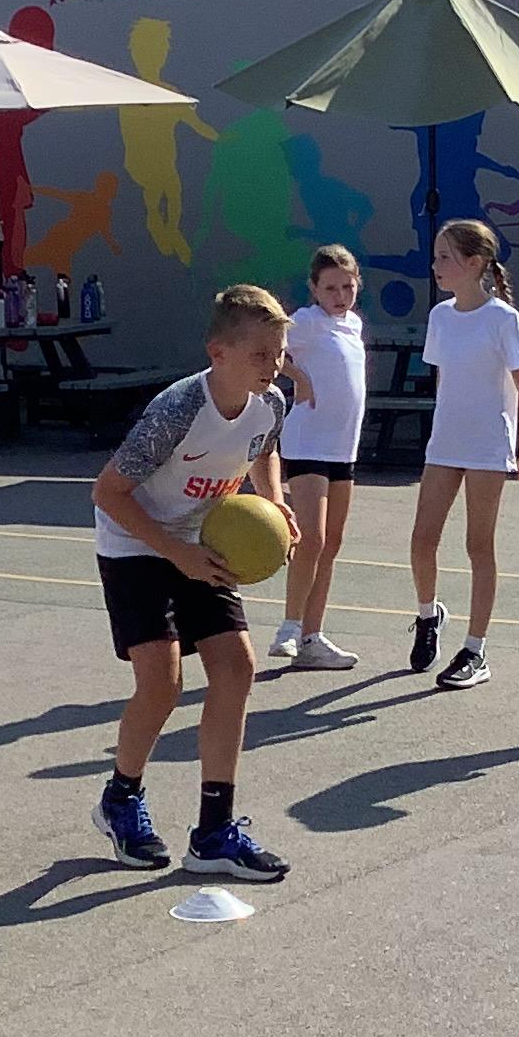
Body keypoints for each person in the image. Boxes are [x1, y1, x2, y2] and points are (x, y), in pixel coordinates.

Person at [91, 285, 296, 882]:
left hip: (203, 540)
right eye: (260, 355)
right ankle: (121, 798)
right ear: (218, 353)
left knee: (236, 668)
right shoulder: (178, 410)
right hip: (137, 540)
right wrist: (176, 553)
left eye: (279, 353)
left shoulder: (269, 403)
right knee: (162, 683)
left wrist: (274, 502)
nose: (273, 365)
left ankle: (213, 833)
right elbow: (108, 492)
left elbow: (263, 451)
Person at [406, 219, 519, 690]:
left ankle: (475, 650)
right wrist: (441, 430)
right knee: (422, 541)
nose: (436, 265)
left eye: (445, 257)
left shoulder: (503, 319)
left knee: (478, 546)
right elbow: (444, 380)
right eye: (436, 256)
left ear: (474, 263)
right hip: (445, 444)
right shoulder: (441, 317)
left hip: (488, 446)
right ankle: (428, 616)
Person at [270, 244, 366, 673]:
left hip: (343, 448)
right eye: (330, 288)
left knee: (332, 543)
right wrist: (299, 378)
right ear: (314, 288)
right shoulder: (306, 322)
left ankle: (312, 637)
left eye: (347, 286)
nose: (340, 296)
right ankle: (289, 628)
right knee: (312, 537)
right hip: (307, 441)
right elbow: (266, 344)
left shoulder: (353, 324)